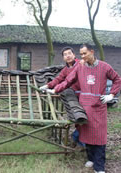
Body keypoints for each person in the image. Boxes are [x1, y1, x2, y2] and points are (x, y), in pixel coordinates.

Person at [45, 43, 121, 173]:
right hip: (84, 105)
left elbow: (117, 79)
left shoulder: (104, 67)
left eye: (85, 53)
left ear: (92, 52)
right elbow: (68, 80)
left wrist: (112, 95)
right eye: (81, 54)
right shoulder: (80, 66)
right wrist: (54, 89)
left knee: (99, 137)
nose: (83, 56)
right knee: (87, 135)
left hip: (98, 106)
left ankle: (99, 167)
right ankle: (91, 158)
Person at [39, 46, 86, 147]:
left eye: (69, 53)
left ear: (74, 55)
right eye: (65, 55)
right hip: (73, 95)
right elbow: (58, 79)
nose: (68, 56)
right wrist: (47, 85)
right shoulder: (65, 69)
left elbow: (68, 80)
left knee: (83, 118)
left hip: (84, 94)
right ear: (63, 57)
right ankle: (79, 141)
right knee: (77, 118)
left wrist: (56, 89)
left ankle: (81, 141)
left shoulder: (80, 65)